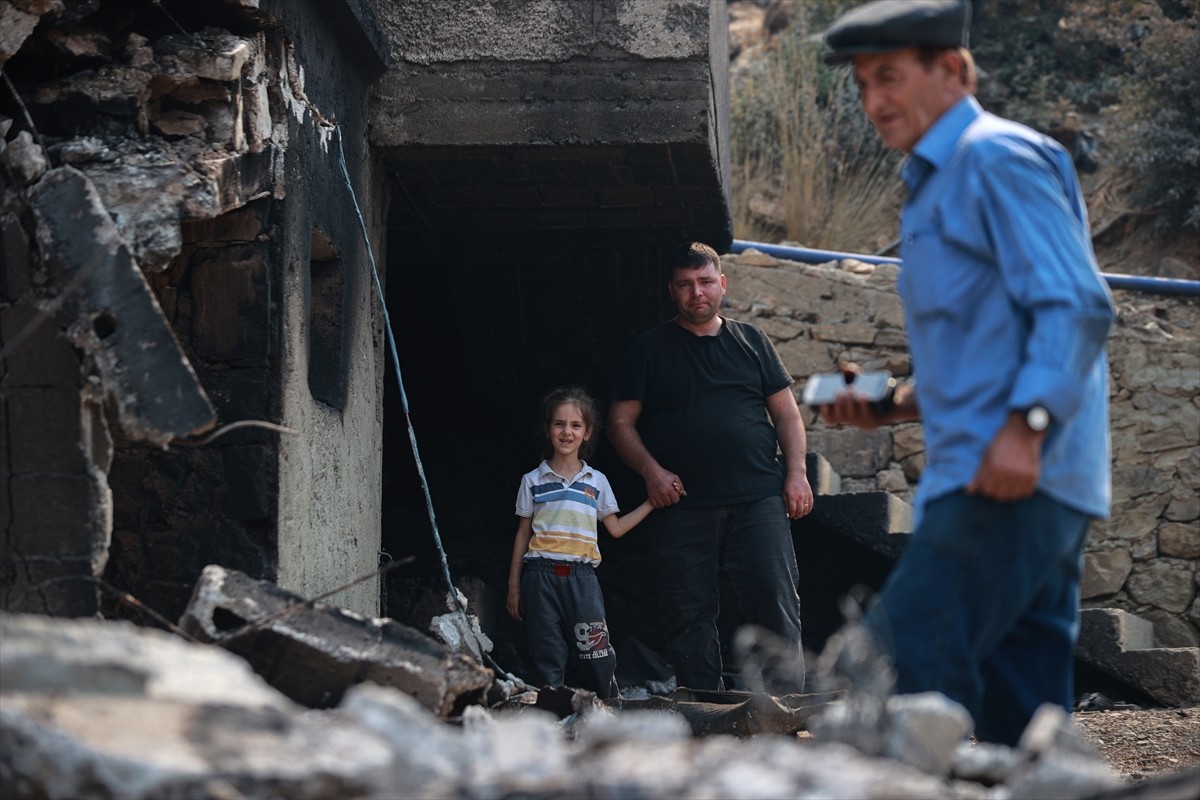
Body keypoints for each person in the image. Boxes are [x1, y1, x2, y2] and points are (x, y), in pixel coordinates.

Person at [816, 0, 1116, 745]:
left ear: (951, 69)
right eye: (861, 85)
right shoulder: (933, 182)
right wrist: (889, 406)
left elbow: (1076, 306)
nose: (873, 102)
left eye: (888, 77)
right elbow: (987, 357)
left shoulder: (995, 157)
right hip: (1010, 481)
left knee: (886, 678)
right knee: (1016, 727)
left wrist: (1027, 427)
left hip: (1006, 480)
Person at [608, 241, 814, 691]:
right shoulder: (649, 349)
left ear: (722, 283)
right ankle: (707, 712)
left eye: (704, 282)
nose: (696, 293)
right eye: (685, 284)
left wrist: (796, 473)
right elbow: (620, 423)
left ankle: (785, 709)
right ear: (672, 291)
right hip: (679, 504)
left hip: (758, 496)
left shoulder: (752, 341)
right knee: (687, 612)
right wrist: (651, 472)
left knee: (775, 602)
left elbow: (786, 413)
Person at [507, 386, 654, 699]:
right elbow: (523, 533)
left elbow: (615, 528)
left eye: (575, 425)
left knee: (596, 650)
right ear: (547, 430)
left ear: (587, 433)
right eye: (559, 424)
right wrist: (514, 586)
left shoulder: (596, 481)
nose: (566, 432)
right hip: (539, 576)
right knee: (547, 651)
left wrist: (651, 503)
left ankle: (609, 708)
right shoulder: (532, 481)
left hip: (582, 579)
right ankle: (554, 715)